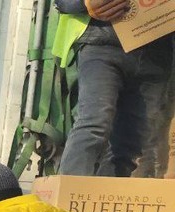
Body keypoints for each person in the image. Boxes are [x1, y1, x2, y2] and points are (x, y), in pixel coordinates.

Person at [55, 0, 172, 176]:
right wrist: (84, 3)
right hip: (102, 45)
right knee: (94, 124)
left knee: (132, 143)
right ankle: (68, 196)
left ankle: (107, 197)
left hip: (156, 53)